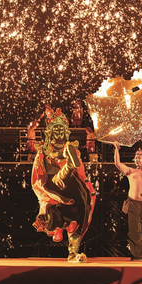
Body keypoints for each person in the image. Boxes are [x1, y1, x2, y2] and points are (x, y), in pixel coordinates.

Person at [31, 108, 96, 262]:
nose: (59, 132)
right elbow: (37, 181)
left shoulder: (73, 150)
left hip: (71, 190)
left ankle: (73, 254)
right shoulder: (42, 154)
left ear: (66, 132)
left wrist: (88, 189)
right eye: (56, 129)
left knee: (78, 218)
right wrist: (49, 197)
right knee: (60, 179)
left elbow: (81, 174)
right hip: (53, 189)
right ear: (50, 133)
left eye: (62, 129)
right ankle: (66, 169)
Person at [113, 133, 142, 260]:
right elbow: (117, 163)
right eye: (136, 157)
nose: (137, 159)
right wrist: (116, 149)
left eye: (140, 157)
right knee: (134, 231)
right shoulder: (130, 172)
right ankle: (139, 255)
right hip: (133, 203)